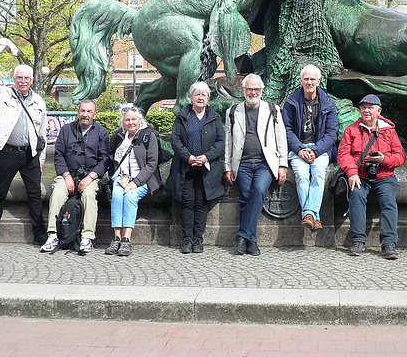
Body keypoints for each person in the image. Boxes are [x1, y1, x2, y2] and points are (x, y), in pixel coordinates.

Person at [0, 48, 47, 247]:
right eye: (19, 77)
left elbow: (41, 135)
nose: (23, 81)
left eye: (26, 78)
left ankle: (39, 234)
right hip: (7, 152)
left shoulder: (39, 101)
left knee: (35, 195)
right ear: (14, 79)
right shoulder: (3, 94)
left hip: (30, 155)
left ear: (32, 80)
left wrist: (41, 160)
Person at [225, 74, 288, 256]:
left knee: (259, 191)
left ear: (262, 91)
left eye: (257, 89)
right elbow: (228, 141)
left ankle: (242, 235)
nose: (253, 92)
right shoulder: (233, 111)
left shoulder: (272, 109)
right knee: (245, 197)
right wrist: (227, 167)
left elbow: (281, 138)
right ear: (243, 90)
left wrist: (282, 165)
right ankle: (251, 241)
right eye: (250, 89)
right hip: (242, 163)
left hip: (265, 163)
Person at [337, 94, 406, 260]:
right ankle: (358, 240)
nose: (367, 111)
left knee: (389, 201)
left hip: (384, 175)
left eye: (371, 107)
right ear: (360, 110)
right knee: (356, 196)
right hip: (360, 175)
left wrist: (384, 159)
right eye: (364, 107)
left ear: (379, 110)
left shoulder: (388, 131)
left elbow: (401, 157)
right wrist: (352, 173)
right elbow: (343, 154)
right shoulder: (351, 130)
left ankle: (389, 243)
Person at [40, 100, 110, 253]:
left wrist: (91, 177)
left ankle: (87, 237)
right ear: (78, 112)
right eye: (83, 111)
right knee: (58, 193)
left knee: (89, 194)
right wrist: (66, 175)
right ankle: (53, 235)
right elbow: (58, 155)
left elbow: (105, 159)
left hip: (91, 176)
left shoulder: (101, 132)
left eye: (89, 111)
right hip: (68, 174)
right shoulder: (66, 130)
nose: (85, 114)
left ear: (95, 115)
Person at [166, 82, 225, 254]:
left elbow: (221, 142)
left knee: (201, 204)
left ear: (208, 98)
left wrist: (206, 156)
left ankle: (198, 240)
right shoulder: (182, 116)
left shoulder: (214, 118)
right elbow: (175, 140)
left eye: (204, 95)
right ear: (190, 97)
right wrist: (189, 157)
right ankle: (186, 240)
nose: (200, 97)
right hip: (186, 168)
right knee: (187, 203)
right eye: (197, 94)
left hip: (207, 169)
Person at [282, 64, 338, 231]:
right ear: (301, 81)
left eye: (312, 79)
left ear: (318, 81)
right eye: (306, 79)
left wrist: (315, 150)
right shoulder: (291, 102)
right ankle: (315, 216)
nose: (309, 82)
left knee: (319, 173)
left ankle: (308, 213)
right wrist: (299, 149)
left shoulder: (328, 103)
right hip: (297, 148)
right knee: (301, 175)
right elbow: (286, 129)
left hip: (320, 149)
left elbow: (332, 133)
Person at [106, 106, 162, 256]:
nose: (131, 122)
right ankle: (116, 238)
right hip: (121, 178)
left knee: (130, 196)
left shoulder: (148, 135)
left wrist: (135, 182)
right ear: (123, 122)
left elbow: (152, 164)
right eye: (127, 119)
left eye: (134, 119)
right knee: (117, 196)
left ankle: (126, 239)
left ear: (140, 121)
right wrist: (114, 175)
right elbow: (111, 157)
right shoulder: (118, 136)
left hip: (143, 179)